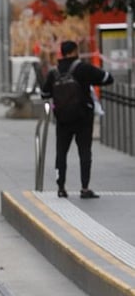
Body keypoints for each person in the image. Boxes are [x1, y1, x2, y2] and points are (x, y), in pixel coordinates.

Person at [41, 40, 114, 199]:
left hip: (62, 120)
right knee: (85, 153)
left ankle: (61, 188)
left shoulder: (54, 72)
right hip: (83, 119)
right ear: (74, 51)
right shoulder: (83, 68)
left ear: (62, 52)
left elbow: (45, 94)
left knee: (61, 153)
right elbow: (108, 79)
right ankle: (85, 188)